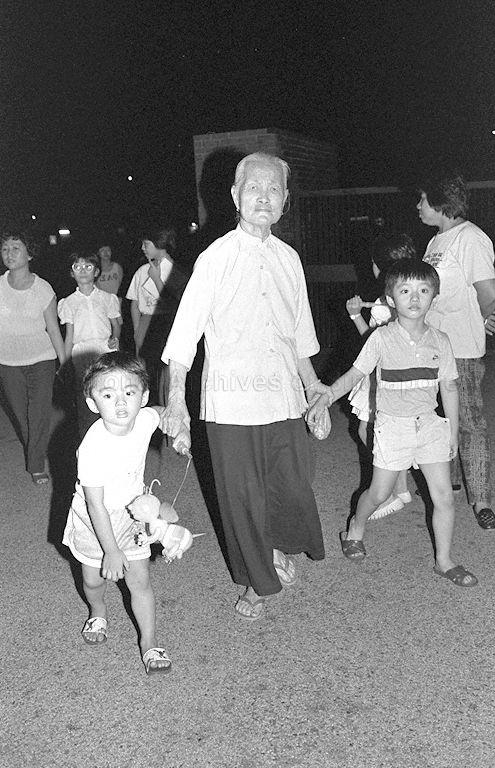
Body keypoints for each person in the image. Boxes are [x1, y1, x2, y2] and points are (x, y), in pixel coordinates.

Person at [159, 152, 327, 621]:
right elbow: (184, 335)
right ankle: (257, 579)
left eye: (274, 190)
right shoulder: (215, 258)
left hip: (284, 396)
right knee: (243, 497)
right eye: (254, 188)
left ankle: (273, 548)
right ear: (235, 196)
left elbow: (300, 334)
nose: (264, 197)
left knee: (291, 486)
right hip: (231, 403)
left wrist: (314, 388)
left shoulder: (289, 259)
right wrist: (176, 401)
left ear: (286, 200)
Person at [308, 261, 478, 588]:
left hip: (430, 427)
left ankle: (444, 561)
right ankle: (355, 528)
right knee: (379, 492)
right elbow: (355, 375)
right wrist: (327, 396)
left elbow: (449, 387)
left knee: (444, 497)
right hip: (393, 428)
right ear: (390, 299)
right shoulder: (381, 338)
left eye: (423, 290)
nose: (414, 298)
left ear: (434, 297)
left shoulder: (441, 340)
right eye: (405, 290)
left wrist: (452, 432)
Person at [62, 352, 192, 675]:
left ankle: (149, 641)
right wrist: (111, 550)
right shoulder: (93, 447)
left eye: (129, 392)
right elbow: (95, 504)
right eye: (108, 395)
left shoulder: (143, 418)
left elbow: (161, 415)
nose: (120, 403)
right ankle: (98, 610)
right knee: (93, 580)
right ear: (92, 403)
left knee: (140, 581)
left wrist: (178, 428)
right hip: (95, 522)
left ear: (143, 396)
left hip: (133, 514)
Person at [417, 172, 495, 530]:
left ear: (440, 202)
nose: (418, 206)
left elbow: (489, 291)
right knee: (439, 417)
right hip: (432, 345)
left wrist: (479, 317)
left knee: (469, 422)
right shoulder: (435, 241)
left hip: (461, 348)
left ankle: (481, 500)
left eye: (423, 199)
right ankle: (450, 480)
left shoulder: (470, 238)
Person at [346, 233, 416, 520]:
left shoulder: (381, 302)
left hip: (381, 378)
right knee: (386, 432)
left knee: (369, 432)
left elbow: (372, 344)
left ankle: (388, 491)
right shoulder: (411, 296)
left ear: (380, 266)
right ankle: (401, 488)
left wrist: (355, 316)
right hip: (403, 377)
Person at [0, 228, 66, 484]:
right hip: (8, 362)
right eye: (5, 249)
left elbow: (53, 329)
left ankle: (36, 464)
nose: (9, 253)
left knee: (38, 413)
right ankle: (36, 449)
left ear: (29, 255)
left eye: (16, 248)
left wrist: (65, 362)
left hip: (41, 359)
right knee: (21, 416)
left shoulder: (43, 289)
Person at [58, 252, 122, 438]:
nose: (83, 271)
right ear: (72, 273)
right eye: (77, 267)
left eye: (88, 267)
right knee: (85, 395)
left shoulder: (107, 298)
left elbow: (116, 325)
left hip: (105, 350)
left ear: (96, 272)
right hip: (82, 353)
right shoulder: (68, 302)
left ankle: (113, 433)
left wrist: (115, 338)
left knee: (109, 391)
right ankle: (88, 437)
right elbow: (69, 335)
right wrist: (65, 363)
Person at [126, 226, 189, 402]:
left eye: (146, 244)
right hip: (146, 324)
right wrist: (138, 329)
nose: (142, 248)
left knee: (166, 376)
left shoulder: (177, 272)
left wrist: (156, 278)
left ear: (160, 244)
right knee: (145, 374)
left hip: (168, 325)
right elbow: (135, 303)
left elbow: (175, 305)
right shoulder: (142, 271)